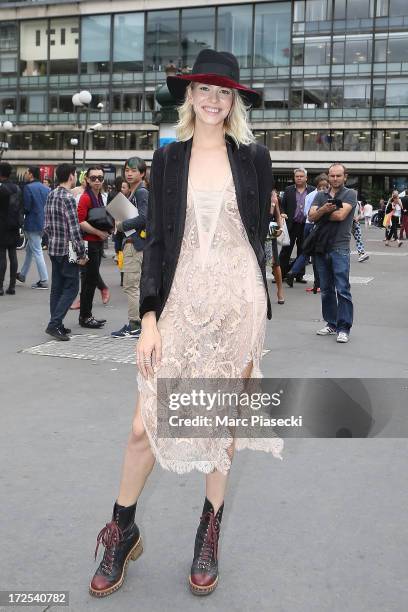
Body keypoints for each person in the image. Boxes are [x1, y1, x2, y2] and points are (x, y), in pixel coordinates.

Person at [89, 49, 283, 600]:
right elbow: (158, 247)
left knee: (218, 424)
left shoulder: (253, 158)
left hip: (236, 304)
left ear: (235, 100)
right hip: (178, 303)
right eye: (205, 90)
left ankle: (208, 534)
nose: (214, 101)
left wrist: (253, 303)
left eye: (225, 92)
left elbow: (255, 238)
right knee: (142, 426)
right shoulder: (167, 160)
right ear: (189, 96)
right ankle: (122, 530)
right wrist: (148, 316)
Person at [308, 163, 357, 344]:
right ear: (328, 176)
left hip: (340, 247)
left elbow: (340, 216)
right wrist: (324, 210)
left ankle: (344, 328)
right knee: (326, 290)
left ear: (345, 177)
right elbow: (310, 216)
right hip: (321, 247)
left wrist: (320, 212)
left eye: (338, 176)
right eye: (332, 175)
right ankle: (331, 323)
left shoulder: (351, 194)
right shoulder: (320, 195)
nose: (335, 179)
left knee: (342, 289)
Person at [43, 164, 88, 340]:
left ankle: (57, 322)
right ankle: (54, 324)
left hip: (54, 247)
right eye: (75, 174)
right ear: (71, 176)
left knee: (57, 288)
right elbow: (74, 228)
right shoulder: (68, 198)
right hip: (66, 249)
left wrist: (51, 238)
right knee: (72, 287)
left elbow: (45, 224)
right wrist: (81, 253)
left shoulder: (51, 194)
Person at [111, 158, 148, 338]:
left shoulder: (141, 192)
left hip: (135, 245)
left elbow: (144, 218)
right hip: (132, 244)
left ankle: (135, 325)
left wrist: (121, 226)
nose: (129, 173)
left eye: (133, 170)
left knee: (131, 286)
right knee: (133, 285)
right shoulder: (134, 193)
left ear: (142, 173)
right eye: (127, 170)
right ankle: (137, 323)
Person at [77, 166, 110, 328]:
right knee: (89, 281)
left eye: (100, 178)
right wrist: (98, 232)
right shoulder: (86, 198)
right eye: (93, 178)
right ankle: (85, 316)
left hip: (96, 242)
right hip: (89, 243)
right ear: (87, 180)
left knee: (90, 280)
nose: (97, 181)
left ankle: (85, 315)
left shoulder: (99, 197)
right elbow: (80, 221)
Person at [285, 173, 329, 292]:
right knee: (317, 255)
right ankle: (317, 283)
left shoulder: (310, 195)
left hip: (307, 225)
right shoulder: (325, 196)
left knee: (307, 252)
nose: (325, 188)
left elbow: (305, 213)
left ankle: (293, 272)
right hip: (318, 226)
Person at [16, 166, 50, 289]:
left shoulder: (28, 188)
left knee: (36, 251)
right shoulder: (46, 188)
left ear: (31, 174)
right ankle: (23, 274)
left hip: (32, 222)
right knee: (30, 250)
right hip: (43, 223)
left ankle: (44, 279)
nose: (25, 174)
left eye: (26, 172)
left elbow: (27, 207)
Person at [279, 167, 314, 282]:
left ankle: (298, 275)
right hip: (291, 224)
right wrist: (283, 213)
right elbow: (282, 205)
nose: (299, 178)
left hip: (306, 225)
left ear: (306, 178)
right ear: (294, 178)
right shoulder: (288, 190)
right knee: (286, 250)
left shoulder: (312, 191)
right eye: (297, 176)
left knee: (303, 250)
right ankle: (281, 274)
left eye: (301, 176)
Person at [0, 162, 23, 296]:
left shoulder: (1, 188)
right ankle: (12, 286)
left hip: (2, 226)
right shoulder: (17, 188)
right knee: (13, 255)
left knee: (2, 256)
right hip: (14, 225)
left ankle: (0, 286)